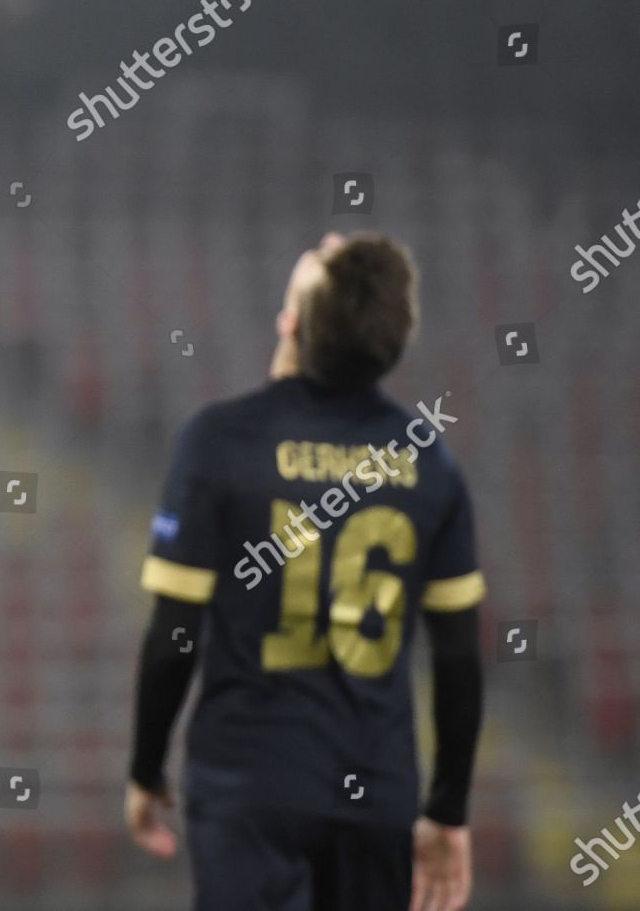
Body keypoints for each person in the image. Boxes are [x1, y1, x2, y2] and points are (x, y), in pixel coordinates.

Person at [124, 232, 483, 911]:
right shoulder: (428, 461)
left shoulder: (220, 442)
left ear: (290, 322)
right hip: (375, 791)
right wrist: (448, 809)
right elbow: (460, 653)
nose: (330, 238)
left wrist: (146, 769)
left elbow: (175, 632)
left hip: (250, 788)